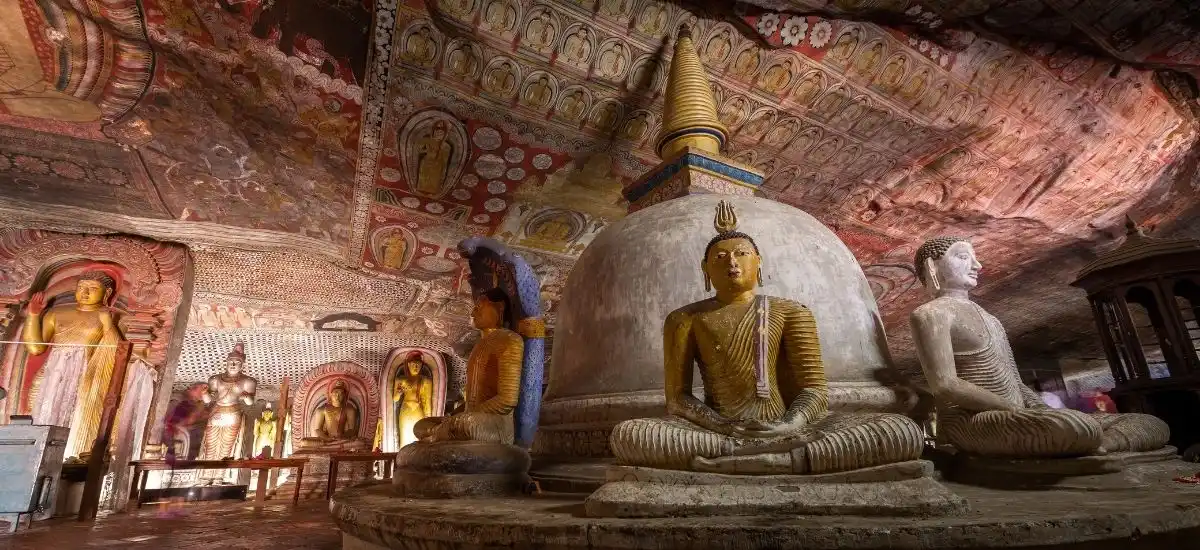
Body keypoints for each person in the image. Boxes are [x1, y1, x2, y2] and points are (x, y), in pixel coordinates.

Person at [159, 383, 209, 517]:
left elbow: (201, 419)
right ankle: (164, 509)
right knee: (172, 477)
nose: (201, 394)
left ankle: (178, 506)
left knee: (185, 476)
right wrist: (196, 414)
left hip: (189, 445)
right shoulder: (183, 405)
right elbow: (181, 422)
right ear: (192, 390)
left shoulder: (195, 405)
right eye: (200, 390)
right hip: (178, 444)